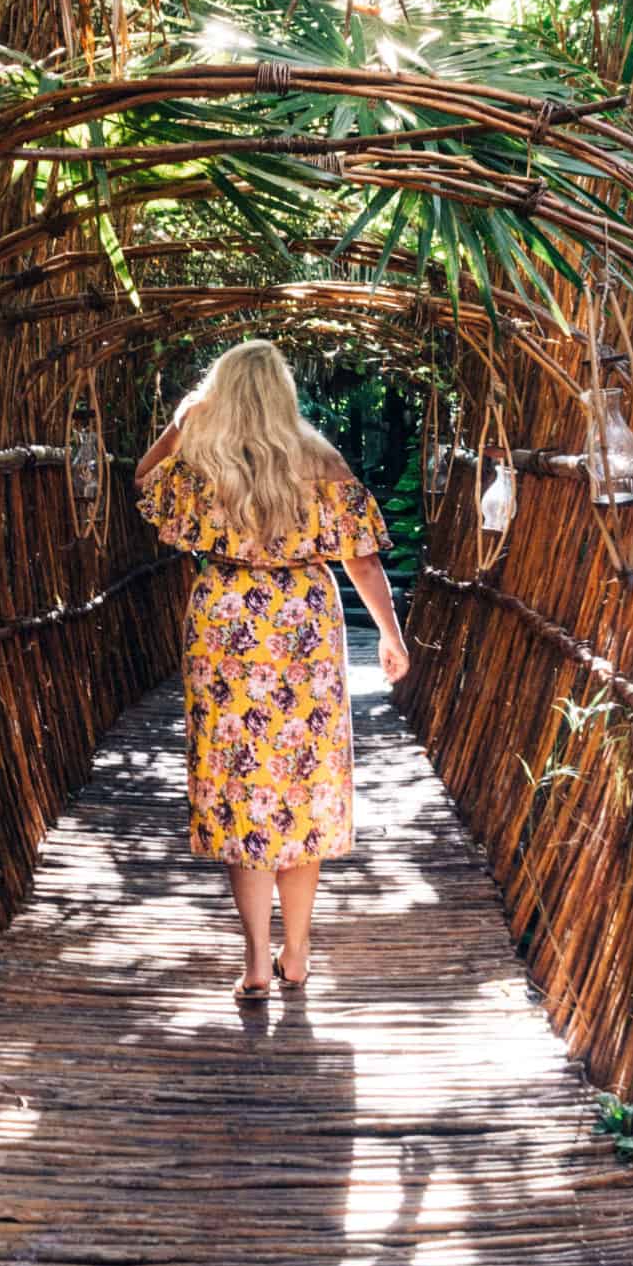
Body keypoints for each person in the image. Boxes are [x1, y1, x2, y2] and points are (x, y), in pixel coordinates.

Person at [135, 340, 410, 1005]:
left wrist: (180, 422)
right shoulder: (318, 459)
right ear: (283, 392)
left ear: (220, 393)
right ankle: (298, 947)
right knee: (301, 783)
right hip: (302, 624)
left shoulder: (202, 460)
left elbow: (143, 483)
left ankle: (257, 957)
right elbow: (363, 559)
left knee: (240, 789)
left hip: (223, 621)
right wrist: (389, 633)